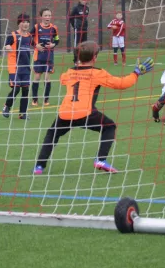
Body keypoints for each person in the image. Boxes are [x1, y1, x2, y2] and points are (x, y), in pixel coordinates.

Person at [33, 41, 154, 175]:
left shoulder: (70, 72)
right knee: (109, 127)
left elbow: (62, 79)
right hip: (85, 113)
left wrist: (76, 67)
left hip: (65, 113)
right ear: (95, 58)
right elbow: (122, 84)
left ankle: (39, 166)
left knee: (52, 134)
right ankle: (100, 160)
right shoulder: (97, 73)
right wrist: (136, 72)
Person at [1, 13, 34, 120]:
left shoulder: (29, 36)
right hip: (14, 67)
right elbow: (6, 45)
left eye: (27, 22)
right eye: (23, 22)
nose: (25, 24)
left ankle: (22, 113)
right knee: (16, 88)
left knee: (25, 90)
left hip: (26, 68)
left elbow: (34, 46)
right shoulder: (13, 35)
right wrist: (8, 47)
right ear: (19, 23)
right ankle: (6, 107)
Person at [31, 8, 60, 106]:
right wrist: (36, 45)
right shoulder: (36, 27)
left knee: (47, 77)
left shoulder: (54, 28)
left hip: (49, 56)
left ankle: (46, 99)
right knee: (37, 77)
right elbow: (29, 38)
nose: (48, 17)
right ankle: (34, 99)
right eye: (46, 15)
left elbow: (57, 39)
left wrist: (53, 45)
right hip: (38, 56)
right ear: (41, 17)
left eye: (49, 15)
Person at [69, 0, 90, 64]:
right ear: (80, 0)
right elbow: (70, 17)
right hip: (78, 29)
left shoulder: (87, 8)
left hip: (85, 29)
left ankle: (83, 59)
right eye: (83, 0)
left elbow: (85, 18)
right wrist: (74, 26)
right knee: (77, 45)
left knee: (84, 45)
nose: (84, 1)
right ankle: (76, 60)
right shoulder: (76, 8)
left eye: (85, 0)